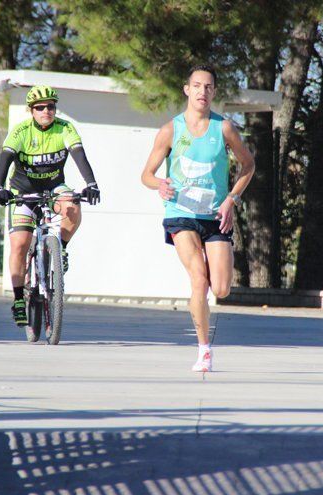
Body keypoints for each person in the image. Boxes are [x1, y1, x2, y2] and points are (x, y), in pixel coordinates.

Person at [140, 65, 255, 373]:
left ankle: (205, 341)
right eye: (197, 85)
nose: (202, 91)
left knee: (220, 289)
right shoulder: (170, 130)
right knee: (198, 279)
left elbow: (248, 166)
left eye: (208, 87)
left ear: (213, 92)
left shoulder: (224, 128)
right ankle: (204, 350)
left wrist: (232, 199)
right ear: (186, 90)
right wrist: (160, 184)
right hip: (181, 214)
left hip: (216, 216)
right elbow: (146, 175)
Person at [0, 85, 101, 327]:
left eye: (50, 106)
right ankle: (19, 299)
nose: (46, 111)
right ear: (31, 111)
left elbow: (79, 155)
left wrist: (91, 183)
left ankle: (60, 247)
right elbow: (4, 160)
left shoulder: (65, 128)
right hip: (23, 191)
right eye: (40, 107)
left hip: (53, 188)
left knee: (72, 205)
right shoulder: (20, 131)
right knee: (20, 244)